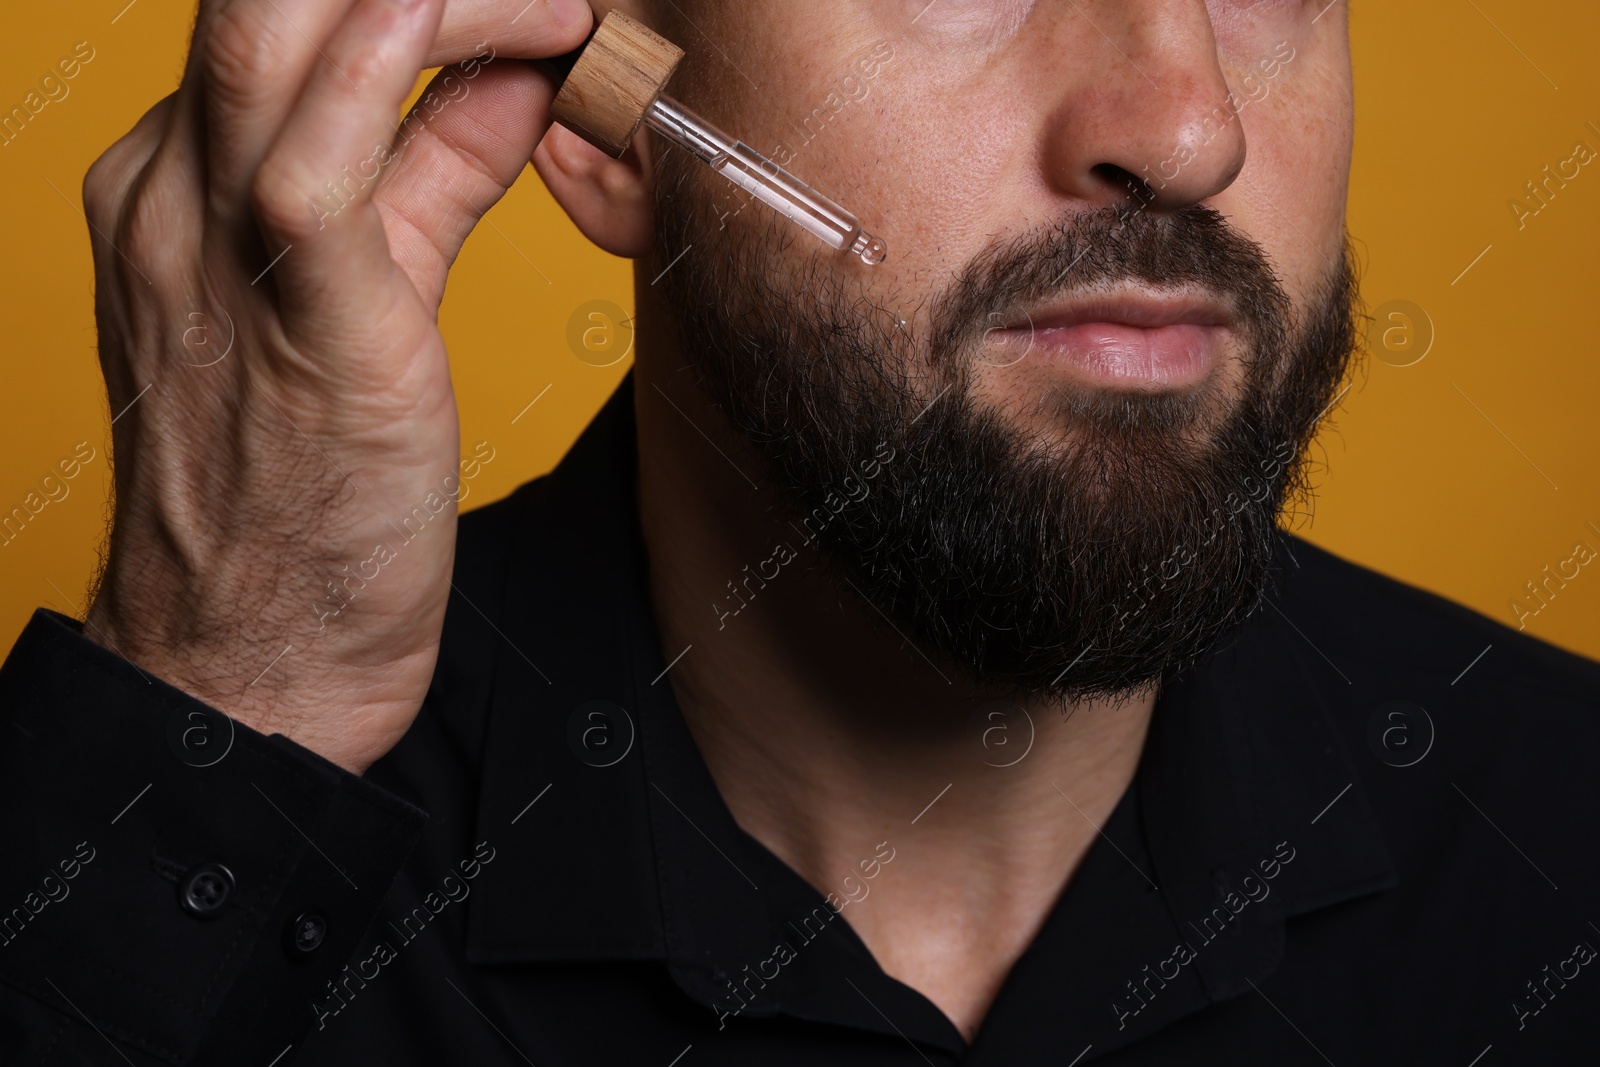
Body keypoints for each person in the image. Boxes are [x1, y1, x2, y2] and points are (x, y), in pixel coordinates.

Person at [1, 0, 1596, 1063]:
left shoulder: (1560, 850)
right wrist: (220, 698)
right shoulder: (192, 862)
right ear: (604, 113)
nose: (1188, 133)